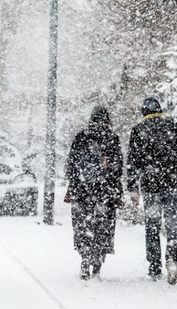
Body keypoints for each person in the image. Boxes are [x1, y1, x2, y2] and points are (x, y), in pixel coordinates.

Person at [127, 97, 177, 284]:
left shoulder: (139, 130)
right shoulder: (174, 128)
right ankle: (172, 259)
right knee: (174, 226)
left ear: (144, 113)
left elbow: (133, 162)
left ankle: (154, 266)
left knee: (152, 226)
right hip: (173, 185)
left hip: (151, 187)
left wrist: (133, 188)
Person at [64, 105, 124, 280]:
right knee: (102, 226)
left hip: (81, 191)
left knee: (83, 226)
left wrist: (76, 182)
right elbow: (118, 168)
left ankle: (84, 257)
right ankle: (97, 263)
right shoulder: (112, 139)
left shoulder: (81, 137)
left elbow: (71, 165)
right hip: (105, 192)